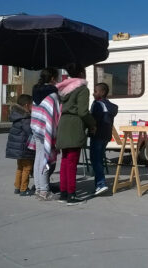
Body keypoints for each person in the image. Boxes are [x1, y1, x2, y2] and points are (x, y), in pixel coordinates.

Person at [56, 63, 96, 205]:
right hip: (74, 125)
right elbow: (83, 112)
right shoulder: (82, 89)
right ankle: (71, 195)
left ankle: (64, 193)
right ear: (81, 74)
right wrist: (93, 124)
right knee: (72, 161)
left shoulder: (65, 90)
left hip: (63, 123)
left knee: (65, 161)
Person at [30, 68, 60, 201]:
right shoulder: (52, 94)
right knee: (45, 158)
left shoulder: (36, 91)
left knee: (38, 159)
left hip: (36, 128)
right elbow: (56, 115)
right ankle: (44, 191)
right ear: (53, 78)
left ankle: (38, 188)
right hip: (46, 130)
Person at [90, 82, 118, 195]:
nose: (93, 93)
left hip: (97, 135)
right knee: (99, 159)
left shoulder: (98, 104)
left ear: (102, 92)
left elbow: (93, 120)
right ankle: (98, 185)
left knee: (95, 160)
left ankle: (101, 184)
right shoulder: (109, 105)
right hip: (106, 136)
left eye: (95, 91)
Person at [5, 94, 35, 196]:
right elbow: (29, 131)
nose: (33, 107)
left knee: (20, 167)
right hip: (24, 148)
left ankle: (17, 187)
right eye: (32, 105)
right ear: (27, 105)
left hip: (18, 148)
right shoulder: (25, 118)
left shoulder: (17, 116)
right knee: (27, 168)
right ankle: (24, 189)